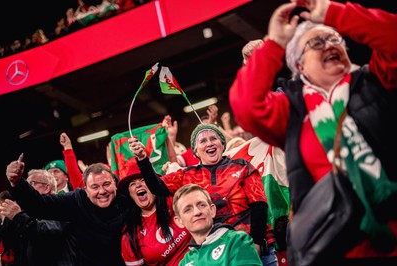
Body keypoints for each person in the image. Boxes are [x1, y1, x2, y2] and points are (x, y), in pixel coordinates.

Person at [229, 0, 397, 264]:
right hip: (329, 251)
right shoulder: (291, 109)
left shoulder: (376, 81)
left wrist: (334, 13)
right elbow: (246, 106)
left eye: (335, 40)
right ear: (300, 67)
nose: (330, 45)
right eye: (316, 43)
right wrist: (274, 44)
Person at [129, 123, 278, 265]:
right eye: (203, 141)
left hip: (251, 247)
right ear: (195, 150)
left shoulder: (242, 167)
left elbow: (259, 206)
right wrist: (142, 159)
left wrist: (256, 243)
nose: (209, 143)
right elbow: (157, 187)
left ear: (222, 144)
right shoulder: (187, 175)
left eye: (214, 138)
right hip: (214, 254)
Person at [5, 160, 133, 265]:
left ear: (115, 184)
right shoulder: (76, 201)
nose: (102, 191)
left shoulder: (128, 198)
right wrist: (17, 183)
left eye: (106, 184)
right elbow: (39, 205)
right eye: (95, 187)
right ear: (86, 190)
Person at [0, 169, 76, 265]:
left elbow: (48, 233)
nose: (25, 188)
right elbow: (8, 241)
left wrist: (18, 217)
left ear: (47, 187)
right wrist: (9, 219)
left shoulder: (60, 207)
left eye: (32, 183)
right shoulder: (24, 211)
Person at [172, 183, 262, 266]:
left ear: (212, 210)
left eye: (202, 205)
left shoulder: (237, 240)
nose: (197, 212)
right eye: (188, 209)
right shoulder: (185, 262)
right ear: (179, 221)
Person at [118, 166, 191, 265]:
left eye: (143, 180)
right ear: (130, 194)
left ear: (154, 184)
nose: (138, 185)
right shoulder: (130, 233)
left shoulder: (176, 200)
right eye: (132, 184)